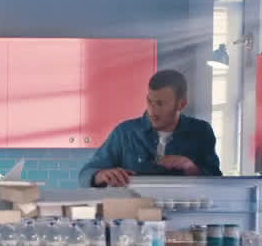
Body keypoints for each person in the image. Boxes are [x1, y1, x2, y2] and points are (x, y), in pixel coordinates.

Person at [78, 69, 221, 187]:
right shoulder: (125, 133)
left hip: (185, 216)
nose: (152, 110)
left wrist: (191, 168)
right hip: (134, 217)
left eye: (160, 104)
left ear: (181, 105)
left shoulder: (201, 132)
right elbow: (84, 176)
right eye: (149, 101)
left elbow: (217, 182)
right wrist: (100, 175)